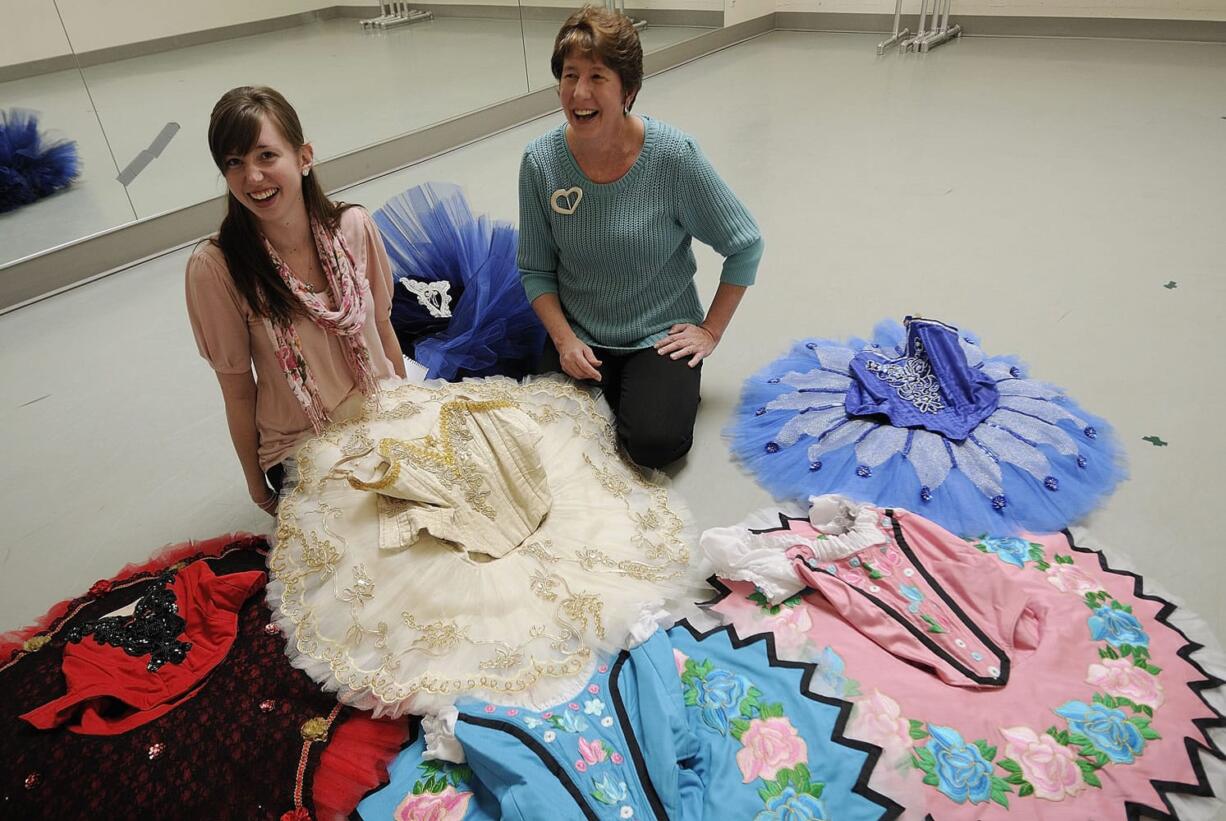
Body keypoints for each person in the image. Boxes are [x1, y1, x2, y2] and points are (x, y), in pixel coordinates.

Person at [517, 6, 763, 469]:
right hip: (580, 332)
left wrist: (709, 331)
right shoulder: (540, 161)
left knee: (653, 446)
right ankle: (605, 386)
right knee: (546, 443)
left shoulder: (673, 156)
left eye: (597, 77)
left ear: (628, 90)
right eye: (570, 75)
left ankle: (639, 388)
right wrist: (565, 341)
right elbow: (535, 269)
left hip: (657, 333)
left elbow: (745, 245)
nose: (580, 93)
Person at [186, 86, 405, 517]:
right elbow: (238, 392)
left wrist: (412, 409)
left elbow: (382, 327)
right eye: (234, 163)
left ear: (304, 158)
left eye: (266, 156)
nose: (252, 178)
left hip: (379, 406)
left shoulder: (354, 226)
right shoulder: (217, 268)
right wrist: (258, 490)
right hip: (303, 442)